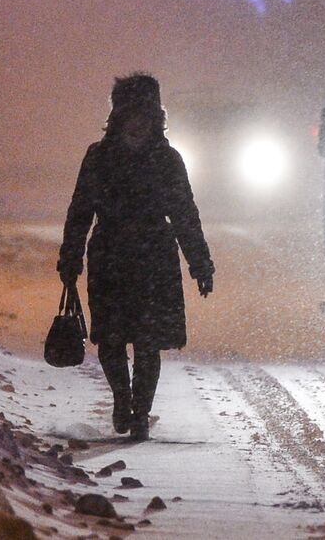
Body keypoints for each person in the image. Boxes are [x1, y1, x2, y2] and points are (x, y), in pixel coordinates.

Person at [58, 73, 214, 441]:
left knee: (148, 342)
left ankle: (139, 413)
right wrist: (70, 259)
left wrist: (200, 264)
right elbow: (80, 211)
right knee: (111, 340)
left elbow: (185, 214)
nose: (137, 121)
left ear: (155, 116)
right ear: (117, 115)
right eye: (130, 113)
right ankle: (122, 398)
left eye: (144, 113)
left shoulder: (167, 159)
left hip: (152, 258)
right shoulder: (99, 157)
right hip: (112, 257)